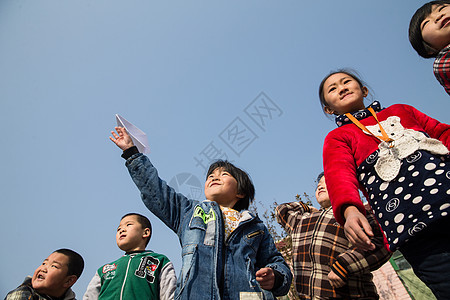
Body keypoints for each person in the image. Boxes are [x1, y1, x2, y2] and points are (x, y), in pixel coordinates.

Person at [109, 126, 292, 300]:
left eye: (224, 174)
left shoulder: (256, 227)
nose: (214, 177)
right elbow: (155, 191)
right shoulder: (188, 212)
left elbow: (275, 261)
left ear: (241, 192)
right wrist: (132, 153)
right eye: (210, 175)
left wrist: (275, 276)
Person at [318, 69, 450, 299]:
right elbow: (339, 175)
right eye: (332, 88)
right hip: (410, 226)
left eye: (347, 81)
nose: (342, 87)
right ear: (329, 109)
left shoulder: (401, 110)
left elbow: (442, 133)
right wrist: (350, 211)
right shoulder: (339, 137)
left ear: (365, 90)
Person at [276, 172, 391, 299]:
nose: (320, 187)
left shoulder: (354, 214)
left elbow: (380, 243)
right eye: (318, 185)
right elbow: (282, 210)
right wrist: (308, 208)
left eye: (328, 183)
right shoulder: (302, 220)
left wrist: (344, 265)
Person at [83, 213, 176, 300]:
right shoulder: (104, 269)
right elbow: (90, 296)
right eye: (118, 229)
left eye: (128, 225)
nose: (121, 230)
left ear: (145, 232)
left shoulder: (160, 261)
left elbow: (169, 294)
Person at [5, 248, 84, 300]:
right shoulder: (23, 294)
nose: (43, 269)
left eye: (54, 266)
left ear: (69, 281)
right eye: (44, 263)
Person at [409, 1, 450, 95]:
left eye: (441, 9)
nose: (439, 16)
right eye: (426, 23)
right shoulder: (442, 63)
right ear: (428, 49)